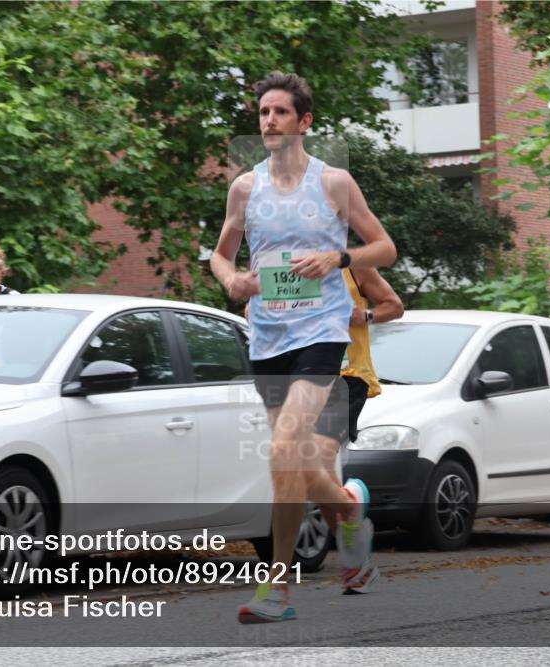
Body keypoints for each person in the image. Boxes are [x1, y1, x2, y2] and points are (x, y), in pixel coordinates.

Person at [210, 71, 397, 623]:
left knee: (281, 450)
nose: (269, 121)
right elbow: (221, 255)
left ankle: (277, 589)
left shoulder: (334, 183)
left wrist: (338, 260)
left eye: (280, 112)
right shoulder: (245, 188)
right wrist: (230, 280)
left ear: (304, 121)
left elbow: (383, 247)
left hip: (321, 332)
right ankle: (347, 509)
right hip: (268, 335)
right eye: (263, 112)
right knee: (291, 460)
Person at [318, 266, 404, 592]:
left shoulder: (353, 266)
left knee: (321, 459)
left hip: (348, 376)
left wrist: (364, 316)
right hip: (304, 377)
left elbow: (394, 306)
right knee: (314, 478)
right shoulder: (285, 267)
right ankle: (355, 553)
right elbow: (252, 308)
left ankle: (354, 559)